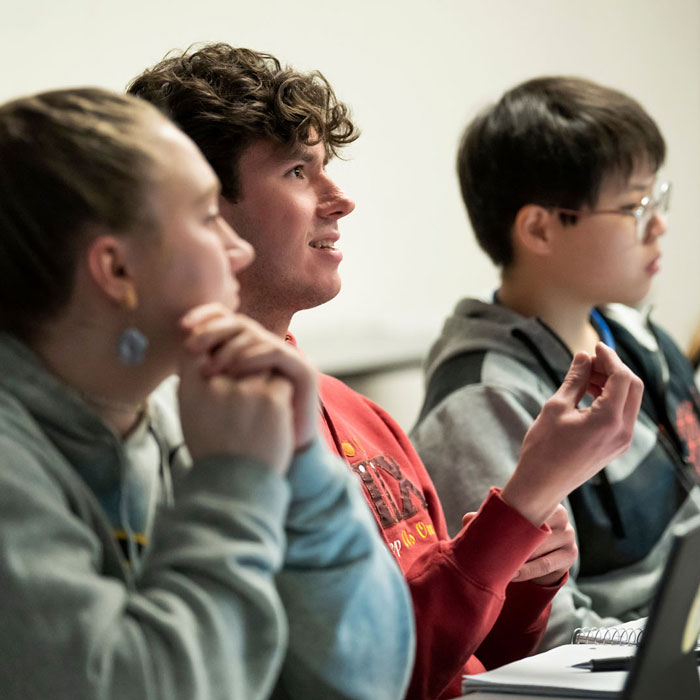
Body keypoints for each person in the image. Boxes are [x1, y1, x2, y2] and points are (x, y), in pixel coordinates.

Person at [128, 47, 643, 699]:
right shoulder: (182, 438)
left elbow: (478, 659)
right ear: (205, 209)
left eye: (327, 170)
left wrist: (524, 578)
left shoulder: (359, 413)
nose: (340, 200)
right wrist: (519, 505)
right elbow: (378, 678)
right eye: (296, 171)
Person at [0, 87, 416, 700]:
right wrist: (233, 481)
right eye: (203, 216)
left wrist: (302, 466)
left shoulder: (176, 414)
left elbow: (364, 680)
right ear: (116, 270)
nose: (237, 248)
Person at [411, 76, 700, 650]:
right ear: (540, 228)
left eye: (656, 199)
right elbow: (553, 641)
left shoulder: (641, 340)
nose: (659, 225)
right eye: (636, 206)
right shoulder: (484, 398)